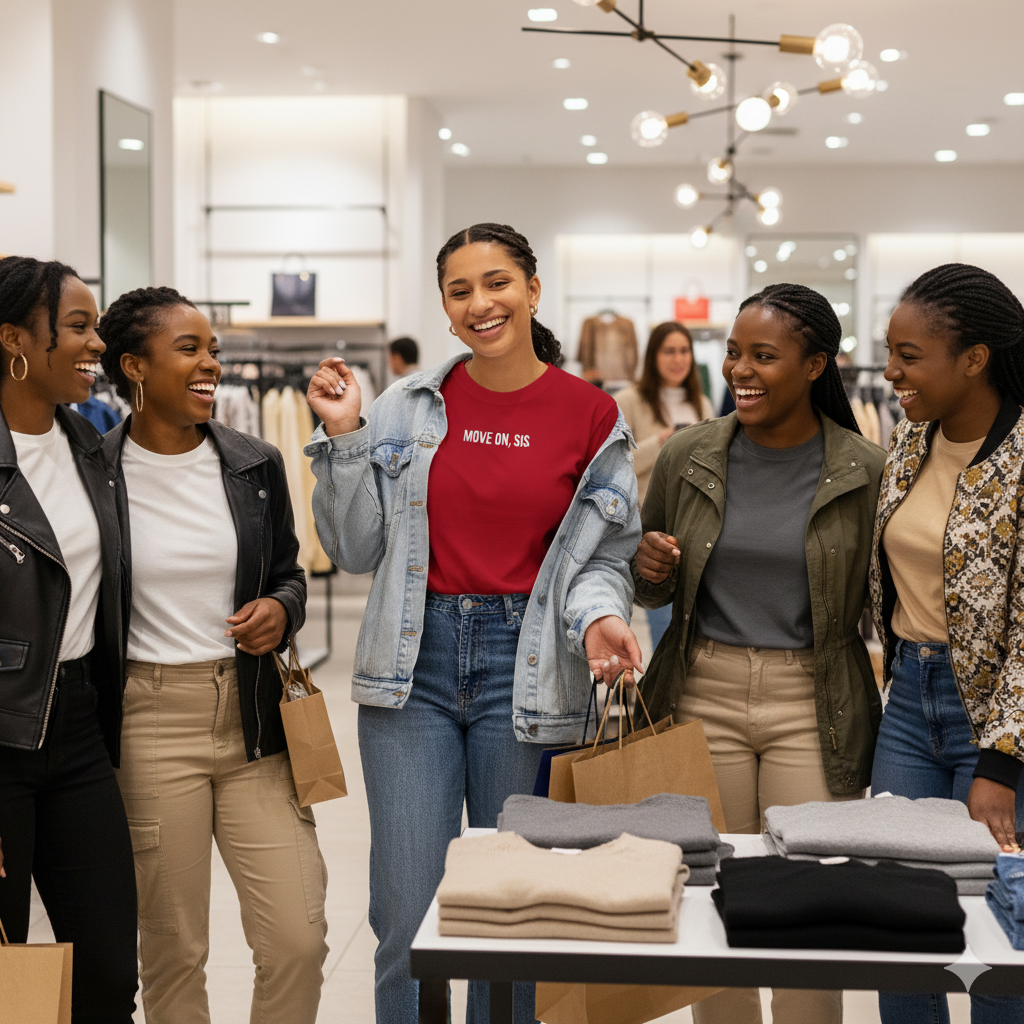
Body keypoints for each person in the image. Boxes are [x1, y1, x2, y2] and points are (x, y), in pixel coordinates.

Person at [305, 222, 642, 1024]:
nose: (481, 303)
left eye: (497, 283)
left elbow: (605, 556)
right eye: (460, 290)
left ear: (531, 288)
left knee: (514, 908)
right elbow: (355, 549)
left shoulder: (592, 416)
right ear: (446, 308)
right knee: (405, 913)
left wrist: (599, 617)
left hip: (528, 670)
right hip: (409, 667)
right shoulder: (405, 405)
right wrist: (345, 435)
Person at [633, 283, 885, 1024]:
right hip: (701, 688)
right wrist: (647, 568)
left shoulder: (864, 468)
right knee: (715, 898)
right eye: (735, 353)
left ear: (814, 366)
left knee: (806, 908)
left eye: (764, 356)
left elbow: (886, 602)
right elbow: (649, 589)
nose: (741, 369)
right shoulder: (688, 455)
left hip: (816, 701)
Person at [97, 286, 328, 1024]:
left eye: (214, 350)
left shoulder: (254, 463)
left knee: (297, 936)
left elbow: (290, 570)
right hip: (148, 721)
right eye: (189, 349)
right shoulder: (92, 472)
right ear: (133, 365)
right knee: (172, 948)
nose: (211, 366)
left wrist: (282, 609)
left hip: (256, 720)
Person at [870, 263, 1024, 1024]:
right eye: (889, 352)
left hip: (996, 722)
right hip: (908, 704)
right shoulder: (909, 440)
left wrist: (1001, 758)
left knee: (1000, 930)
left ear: (974, 358)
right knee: (897, 921)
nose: (891, 371)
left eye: (908, 354)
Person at [0, 256, 138, 1022]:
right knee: (4, 964)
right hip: (1, 735)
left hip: (80, 729)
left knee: (108, 969)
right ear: (16, 339)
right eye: (79, 327)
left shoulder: (93, 446)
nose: (96, 345)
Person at [615, 321, 714, 651]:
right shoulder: (629, 400)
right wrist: (661, 442)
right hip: (649, 526)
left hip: (697, 524)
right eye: (669, 350)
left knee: (696, 625)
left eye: (684, 350)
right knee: (662, 619)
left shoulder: (703, 403)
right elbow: (614, 462)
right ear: (653, 356)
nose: (678, 359)